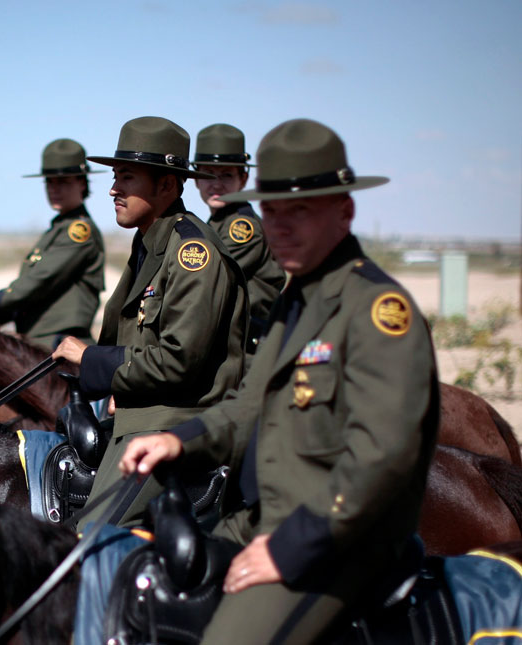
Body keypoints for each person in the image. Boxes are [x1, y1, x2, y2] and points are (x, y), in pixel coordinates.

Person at [117, 118, 439, 643]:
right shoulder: (297, 301)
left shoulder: (378, 310)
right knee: (146, 590)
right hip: (261, 517)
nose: (280, 227)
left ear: (345, 210)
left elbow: (383, 458)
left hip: (338, 542)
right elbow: (247, 408)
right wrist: (178, 439)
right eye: (272, 211)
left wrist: (287, 548)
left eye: (300, 211)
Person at [50, 117, 248, 529]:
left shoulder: (192, 253)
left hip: (177, 422)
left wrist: (91, 359)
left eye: (128, 178)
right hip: (141, 413)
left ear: (166, 186)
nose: (113, 189)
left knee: (89, 539)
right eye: (114, 176)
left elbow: (178, 360)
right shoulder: (150, 241)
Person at [0, 138, 106, 349]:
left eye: (64, 182)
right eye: (49, 182)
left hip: (60, 344)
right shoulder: (56, 230)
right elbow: (36, 295)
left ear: (82, 182)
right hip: (37, 342)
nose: (54, 189)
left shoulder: (78, 233)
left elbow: (36, 283)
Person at [192, 123, 286, 352]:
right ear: (195, 179)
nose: (216, 184)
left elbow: (210, 279)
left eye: (226, 175)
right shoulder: (217, 222)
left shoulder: (242, 227)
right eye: (208, 174)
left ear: (243, 179)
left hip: (247, 351)